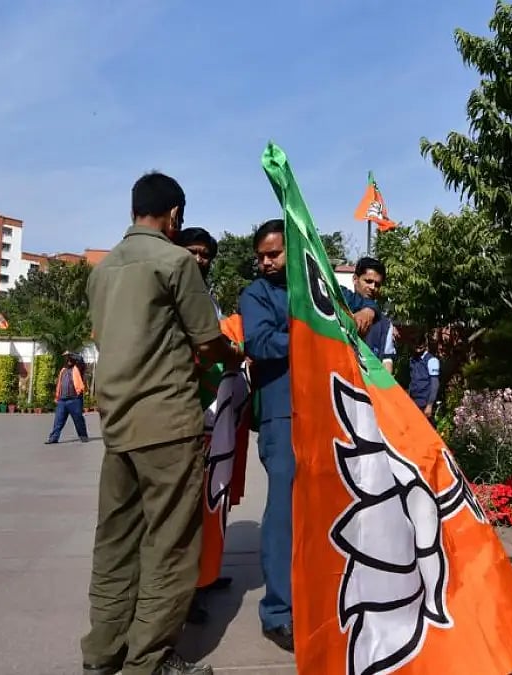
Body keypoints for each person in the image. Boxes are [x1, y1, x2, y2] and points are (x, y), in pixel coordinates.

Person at [80, 171, 242, 675]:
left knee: (115, 545)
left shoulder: (102, 270)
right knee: (169, 549)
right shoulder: (175, 261)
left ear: (133, 211)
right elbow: (207, 339)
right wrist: (234, 359)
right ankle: (147, 663)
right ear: (175, 215)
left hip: (119, 423)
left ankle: (102, 655)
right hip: (168, 424)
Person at [238, 218, 380, 652]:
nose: (265, 262)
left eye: (274, 254)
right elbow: (260, 344)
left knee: (327, 512)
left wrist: (368, 311)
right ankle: (279, 612)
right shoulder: (255, 294)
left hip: (327, 414)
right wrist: (315, 335)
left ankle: (323, 598)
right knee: (283, 513)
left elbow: (363, 301)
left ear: (292, 254)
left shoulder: (317, 288)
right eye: (261, 255)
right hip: (283, 414)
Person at [174, 226, 239, 623]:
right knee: (186, 509)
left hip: (215, 415)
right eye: (193, 252)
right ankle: (183, 594)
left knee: (211, 502)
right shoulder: (173, 295)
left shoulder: (207, 299)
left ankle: (205, 574)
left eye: (205, 254)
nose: (200, 260)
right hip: (185, 414)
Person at [352, 256, 397, 372]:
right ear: (355, 279)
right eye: (368, 281)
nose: (373, 287)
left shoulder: (385, 324)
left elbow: (387, 360)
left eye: (377, 284)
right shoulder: (339, 306)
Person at [45, 352, 89, 445]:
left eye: (71, 359)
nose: (69, 361)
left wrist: (71, 354)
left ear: (74, 360)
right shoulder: (63, 370)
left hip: (75, 399)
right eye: (67, 359)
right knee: (58, 420)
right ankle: (53, 438)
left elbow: (80, 359)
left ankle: (83, 436)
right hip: (62, 400)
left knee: (78, 419)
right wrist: (57, 397)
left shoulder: (78, 368)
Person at [407, 338, 440, 422]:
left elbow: (435, 384)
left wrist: (430, 405)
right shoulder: (412, 360)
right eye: (415, 344)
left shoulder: (432, 360)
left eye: (420, 344)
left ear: (425, 344)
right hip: (413, 402)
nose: (418, 347)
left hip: (425, 403)